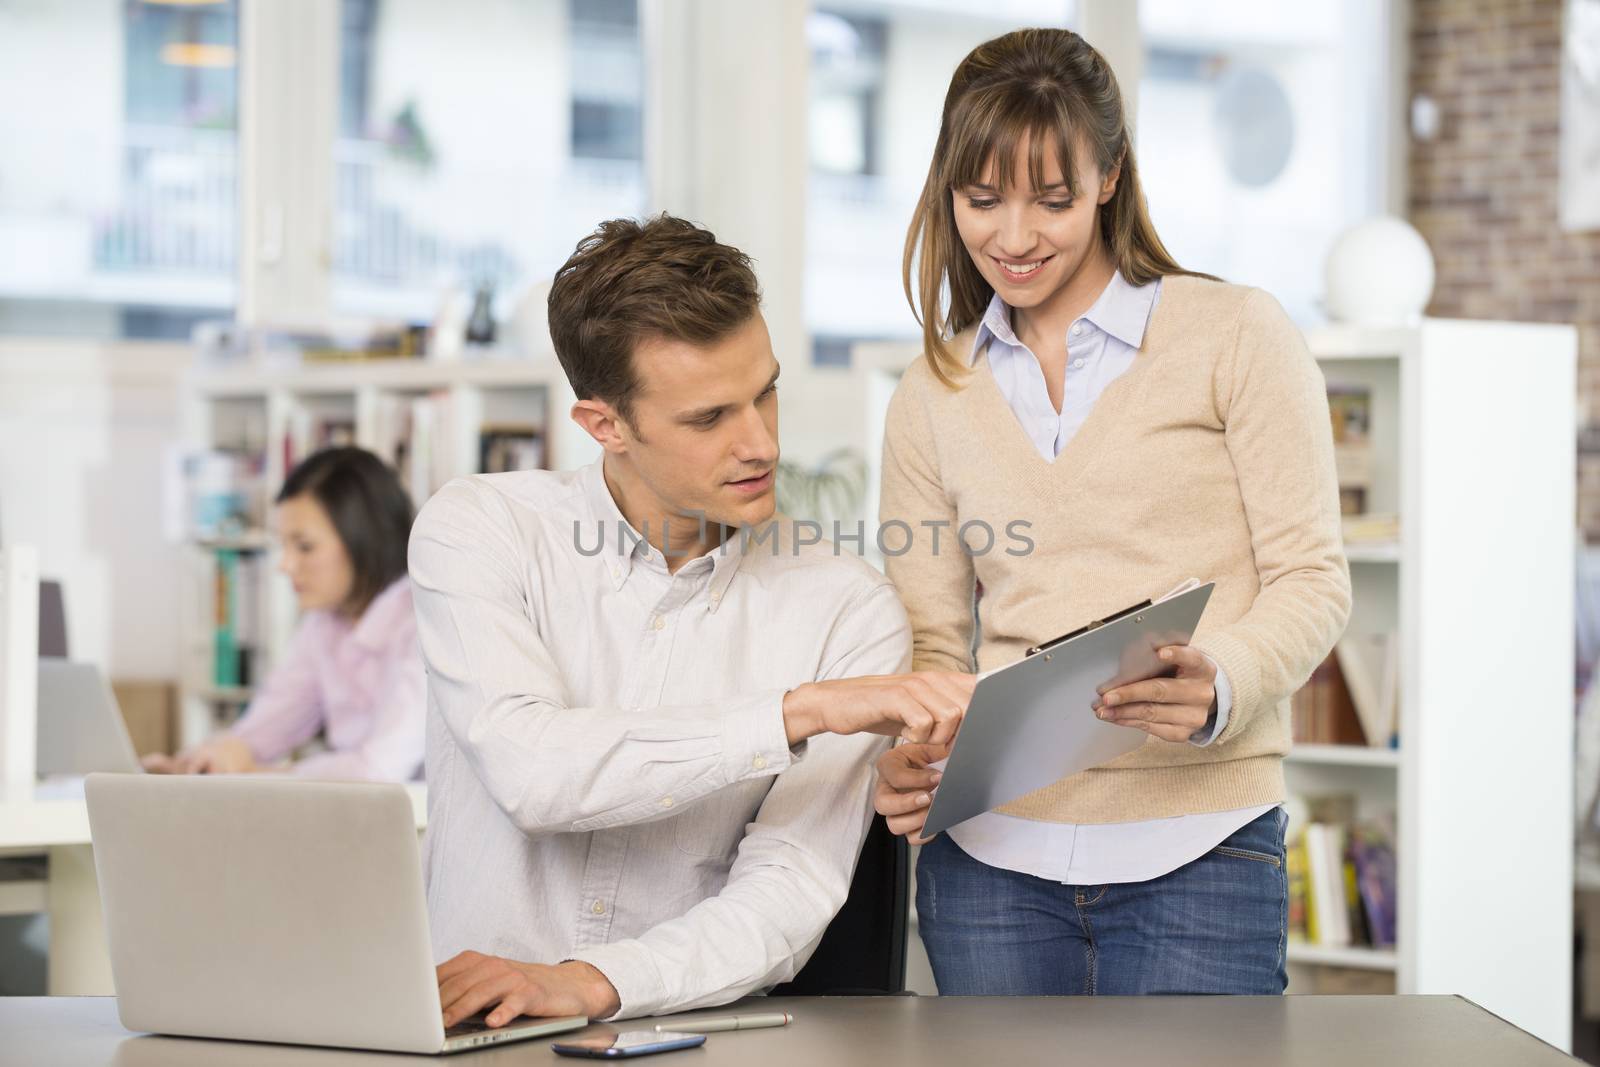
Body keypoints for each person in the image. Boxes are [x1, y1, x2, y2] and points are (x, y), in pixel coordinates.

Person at [872, 28, 1352, 996]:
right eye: (981, 198)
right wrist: (911, 752)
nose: (1013, 235)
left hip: (1202, 847)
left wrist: (1220, 677)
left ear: (1108, 176)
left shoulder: (1235, 335)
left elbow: (1312, 578)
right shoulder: (928, 393)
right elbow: (932, 641)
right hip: (988, 864)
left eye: (1050, 199)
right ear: (945, 191)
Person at [409, 215, 975, 1027]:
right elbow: (533, 771)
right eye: (709, 418)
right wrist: (796, 712)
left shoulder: (846, 605)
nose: (762, 444)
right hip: (462, 1030)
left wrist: (597, 980)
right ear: (604, 425)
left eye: (766, 393)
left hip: (683, 1034)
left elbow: (790, 889)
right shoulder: (481, 530)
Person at [144, 446, 424, 781]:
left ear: (364, 540)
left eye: (304, 546)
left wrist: (258, 774)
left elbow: (380, 770)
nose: (285, 565)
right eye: (284, 546)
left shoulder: (424, 626)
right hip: (357, 816)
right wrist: (205, 762)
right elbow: (267, 724)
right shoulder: (323, 625)